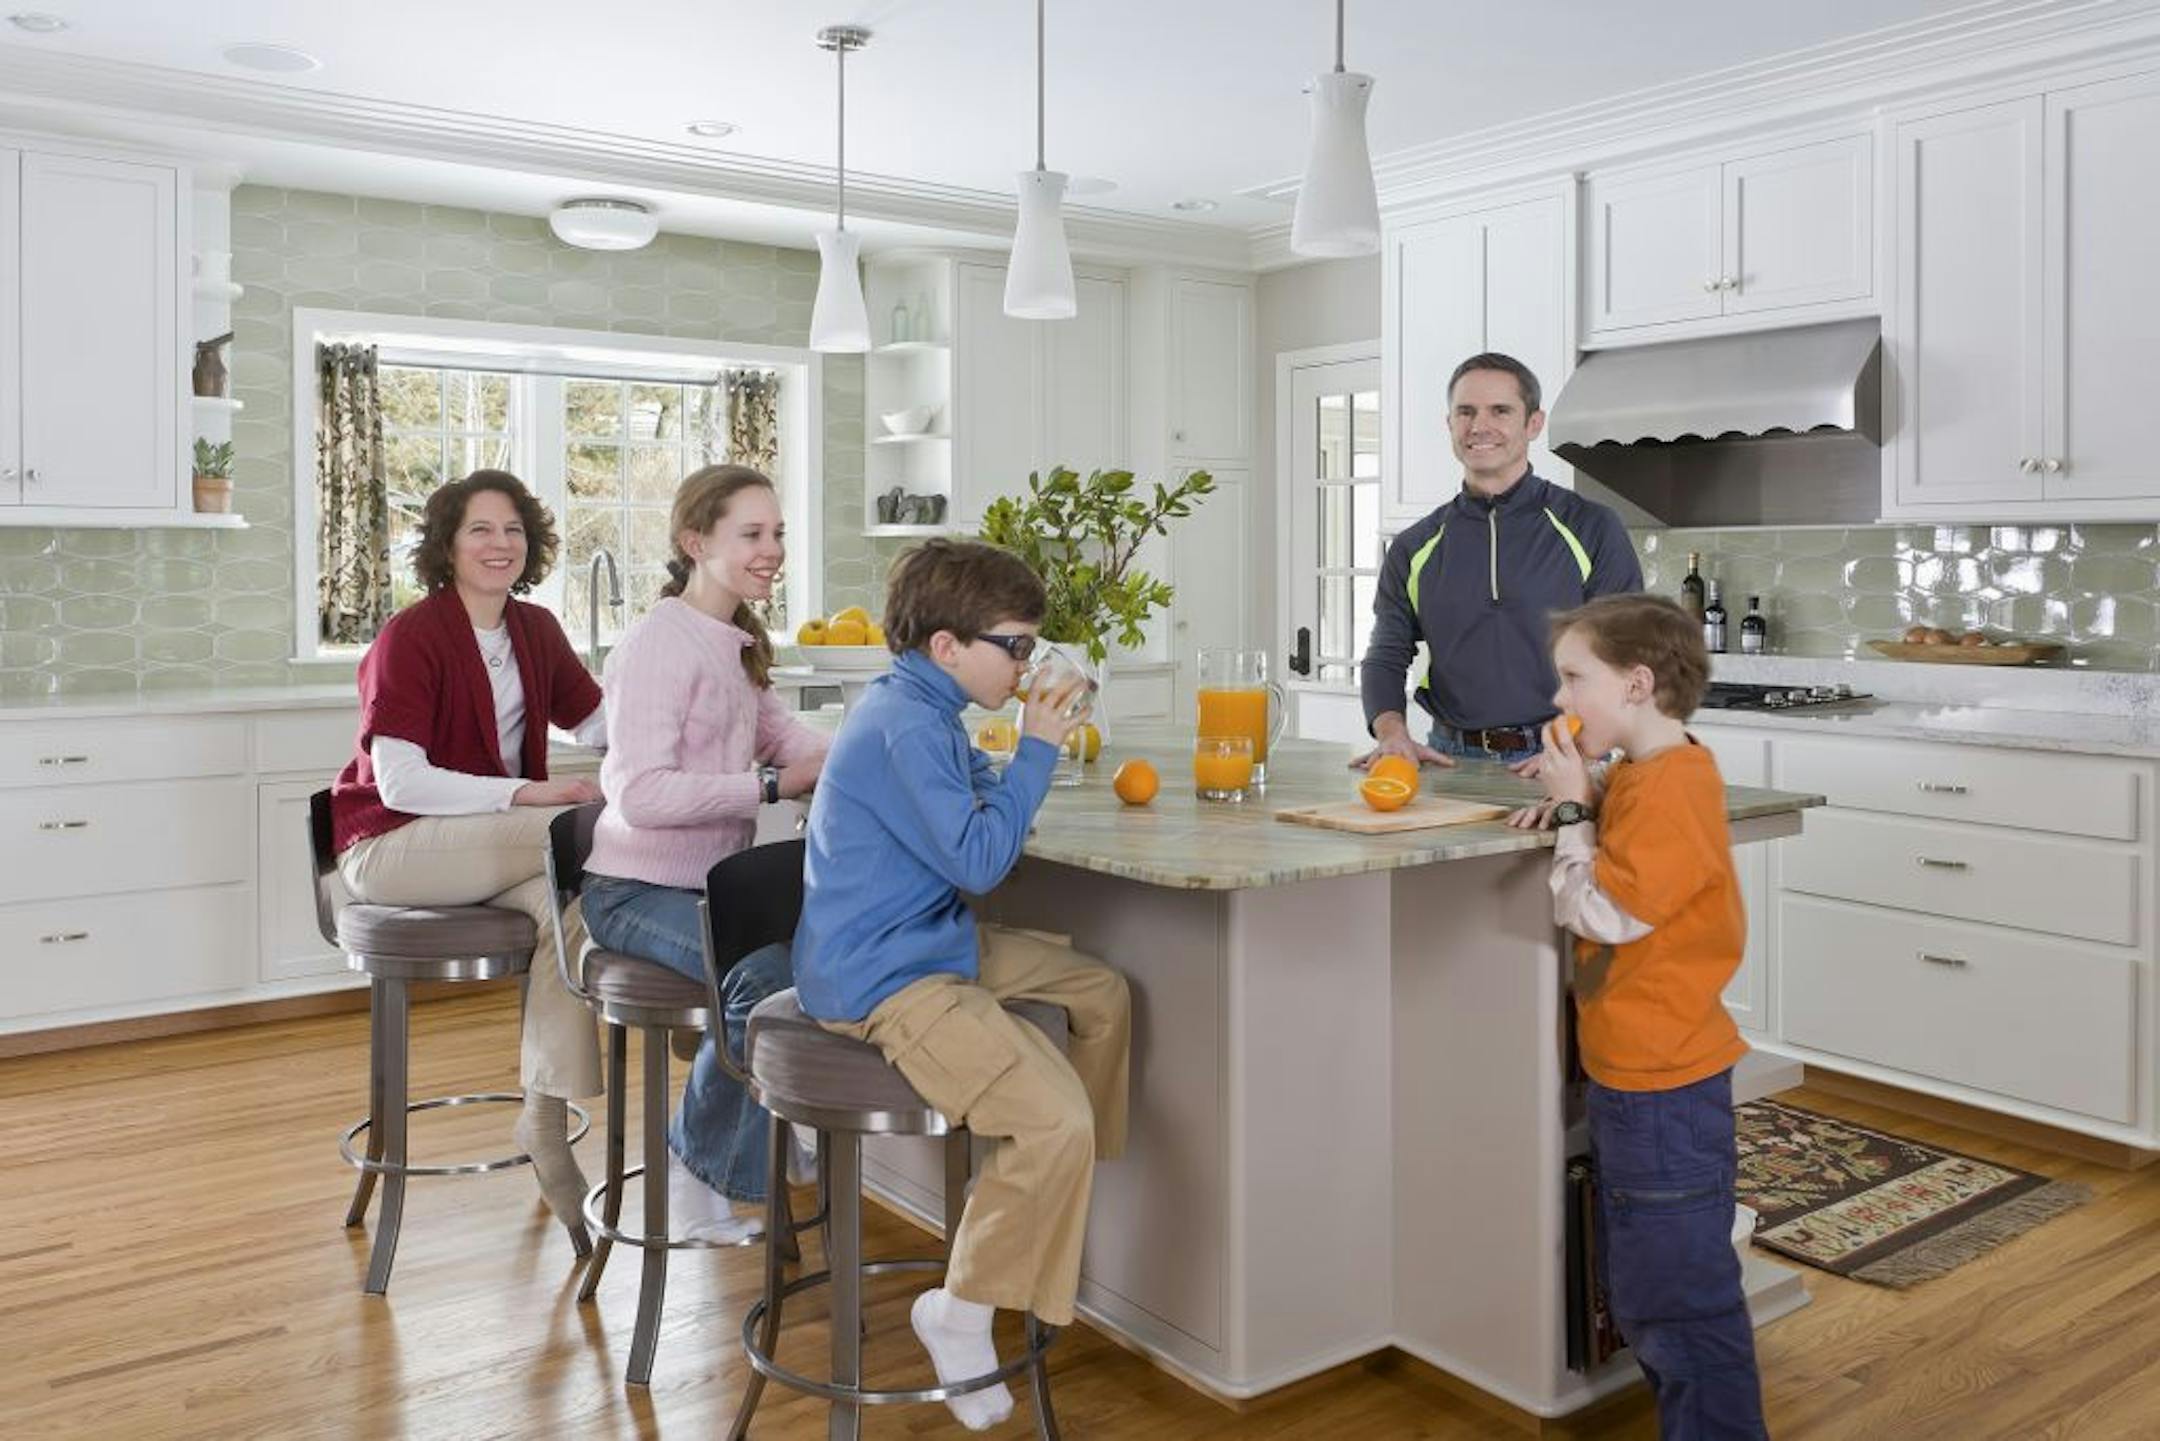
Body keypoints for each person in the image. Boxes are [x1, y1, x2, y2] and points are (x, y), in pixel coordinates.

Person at [793, 539, 1131, 1434]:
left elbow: (972, 796)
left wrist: (1025, 756)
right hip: (884, 974)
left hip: (925, 940)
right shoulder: (905, 721)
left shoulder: (921, 707)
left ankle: (1059, 1199)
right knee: (1054, 1116)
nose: (1026, 663)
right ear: (949, 646)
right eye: (1015, 645)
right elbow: (982, 858)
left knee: (1101, 991)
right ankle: (964, 1306)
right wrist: (1039, 746)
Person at [1507, 594, 1766, 1440]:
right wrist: (1583, 794)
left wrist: (1577, 810)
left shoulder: (1671, 788)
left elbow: (1605, 911)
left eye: (1574, 679)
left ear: (1637, 683)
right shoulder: (1655, 772)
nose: (1560, 700)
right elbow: (1630, 833)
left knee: (1681, 1304)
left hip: (1664, 1086)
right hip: (1643, 1078)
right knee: (1653, 1289)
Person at [329, 469, 606, 1238]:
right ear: (447, 543)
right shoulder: (412, 635)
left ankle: (544, 1122)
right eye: (481, 528)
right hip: (392, 845)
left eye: (513, 529)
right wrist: (525, 794)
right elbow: (400, 779)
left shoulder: (535, 631)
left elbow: (600, 723)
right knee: (578, 835)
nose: (500, 543)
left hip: (483, 852)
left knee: (572, 905)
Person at [578, 465, 828, 1243]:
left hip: (706, 892)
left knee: (814, 955)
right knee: (773, 976)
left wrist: (870, 752)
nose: (773, 549)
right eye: (752, 534)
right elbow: (640, 793)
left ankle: (765, 1127)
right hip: (632, 891)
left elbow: (788, 739)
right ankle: (701, 1163)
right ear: (695, 541)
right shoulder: (661, 641)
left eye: (778, 532)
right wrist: (764, 786)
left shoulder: (736, 640)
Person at [1359, 351, 1642, 771]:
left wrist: (1578, 745)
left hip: (1564, 754)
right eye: (1466, 412)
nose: (1479, 426)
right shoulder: (1414, 546)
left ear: (1533, 423)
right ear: (1449, 423)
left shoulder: (1591, 526)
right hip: (1449, 759)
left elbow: (1624, 652)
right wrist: (1392, 733)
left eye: (1500, 411)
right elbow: (1386, 652)